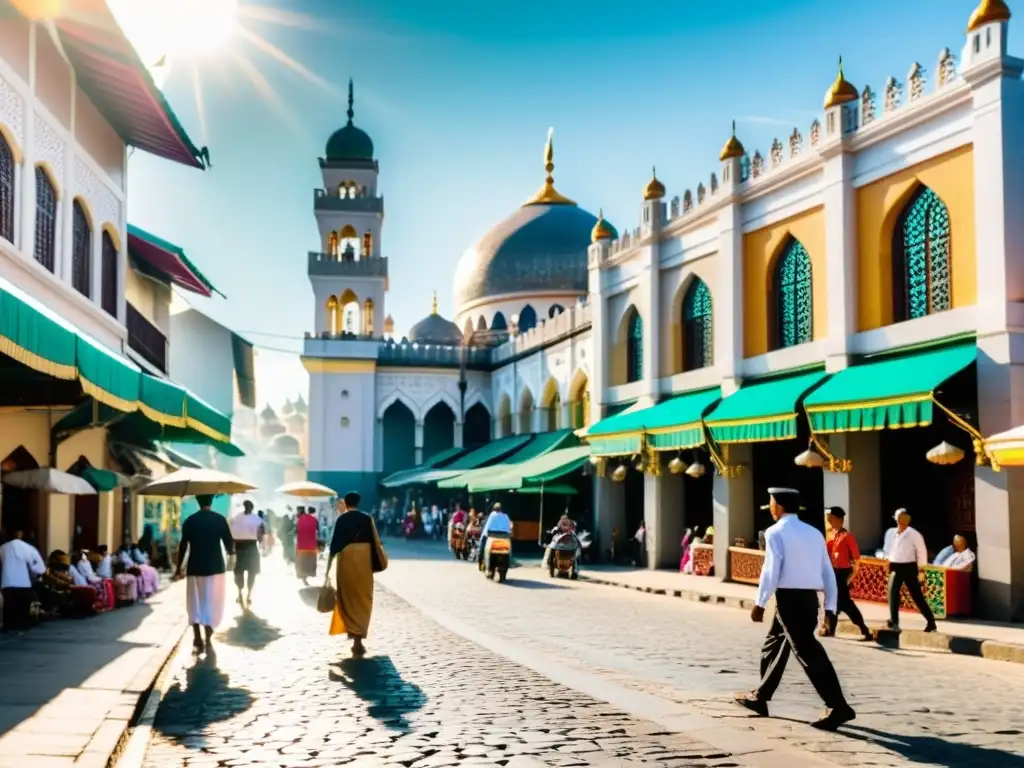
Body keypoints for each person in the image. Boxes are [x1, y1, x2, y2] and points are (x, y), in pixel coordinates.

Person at [734, 487, 855, 731]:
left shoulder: (774, 532)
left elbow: (771, 571)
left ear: (777, 505)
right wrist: (830, 608)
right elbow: (827, 572)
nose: (769, 506)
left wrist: (760, 602)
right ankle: (761, 696)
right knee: (774, 642)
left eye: (770, 502)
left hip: (790, 600)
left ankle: (838, 705)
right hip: (809, 600)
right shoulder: (814, 533)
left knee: (808, 652)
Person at [328, 491, 388, 657]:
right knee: (363, 597)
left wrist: (327, 570)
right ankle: (358, 638)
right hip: (363, 561)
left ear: (345, 503)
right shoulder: (367, 518)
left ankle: (352, 632)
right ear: (358, 503)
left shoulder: (341, 519)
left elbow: (334, 546)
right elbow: (376, 542)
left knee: (347, 596)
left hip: (346, 561)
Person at [174, 494, 235, 655]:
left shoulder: (190, 521)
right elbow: (229, 542)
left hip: (195, 566)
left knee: (195, 601)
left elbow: (183, 545)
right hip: (215, 566)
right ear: (211, 502)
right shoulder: (219, 519)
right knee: (212, 601)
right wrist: (232, 555)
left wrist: (178, 568)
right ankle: (208, 633)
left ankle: (196, 636)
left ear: (198, 502)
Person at [821, 507, 871, 640]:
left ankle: (863, 628)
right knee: (832, 600)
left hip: (843, 573)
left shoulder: (847, 536)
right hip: (834, 572)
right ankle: (829, 628)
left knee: (844, 602)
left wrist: (851, 577)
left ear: (839, 520)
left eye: (831, 518)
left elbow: (857, 560)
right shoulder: (833, 535)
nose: (829, 521)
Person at [885, 508, 937, 632]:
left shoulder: (914, 534)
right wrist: (887, 560)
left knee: (916, 596)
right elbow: (888, 549)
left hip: (909, 567)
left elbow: (921, 552)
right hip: (895, 566)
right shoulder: (891, 532)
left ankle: (931, 622)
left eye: (904, 517)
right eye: (898, 517)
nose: (901, 521)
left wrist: (922, 570)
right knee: (892, 592)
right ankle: (894, 622)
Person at [0, 529, 45, 631]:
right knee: (22, 609)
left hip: (7, 582)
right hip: (23, 582)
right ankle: (21, 627)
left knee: (9, 608)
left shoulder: (3, 548)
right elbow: (40, 568)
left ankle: (9, 627)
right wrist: (33, 572)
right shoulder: (28, 548)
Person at [229, 500, 264, 607]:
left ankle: (240, 594)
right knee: (252, 573)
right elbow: (260, 536)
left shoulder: (236, 518)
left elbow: (231, 533)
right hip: (252, 547)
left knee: (238, 572)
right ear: (252, 508)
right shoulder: (257, 519)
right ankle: (248, 595)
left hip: (239, 547)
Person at [295, 507, 319, 585]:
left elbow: (296, 531)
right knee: (309, 563)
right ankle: (305, 577)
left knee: (302, 563)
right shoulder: (314, 519)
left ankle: (303, 577)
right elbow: (317, 530)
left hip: (301, 546)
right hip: (311, 546)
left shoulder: (299, 520)